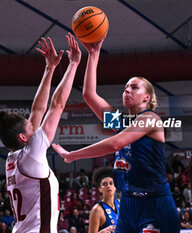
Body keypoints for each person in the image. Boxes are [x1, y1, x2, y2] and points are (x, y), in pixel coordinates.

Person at [52, 38, 180, 233]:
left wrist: (73, 155)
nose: (127, 90)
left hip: (155, 202)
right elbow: (89, 95)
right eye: (125, 88)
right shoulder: (121, 122)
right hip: (129, 202)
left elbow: (115, 144)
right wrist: (93, 54)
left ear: (147, 97)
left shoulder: (151, 119)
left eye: (134, 87)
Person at [0, 33, 81, 232]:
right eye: (31, 127)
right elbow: (57, 105)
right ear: (23, 137)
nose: (35, 126)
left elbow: (37, 110)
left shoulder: (14, 159)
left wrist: (50, 69)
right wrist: (73, 64)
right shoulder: (31, 154)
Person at [89, 167, 119, 233]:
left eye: (111, 183)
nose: (108, 186)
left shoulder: (121, 203)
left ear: (115, 187)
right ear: (100, 189)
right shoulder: (97, 210)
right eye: (105, 184)